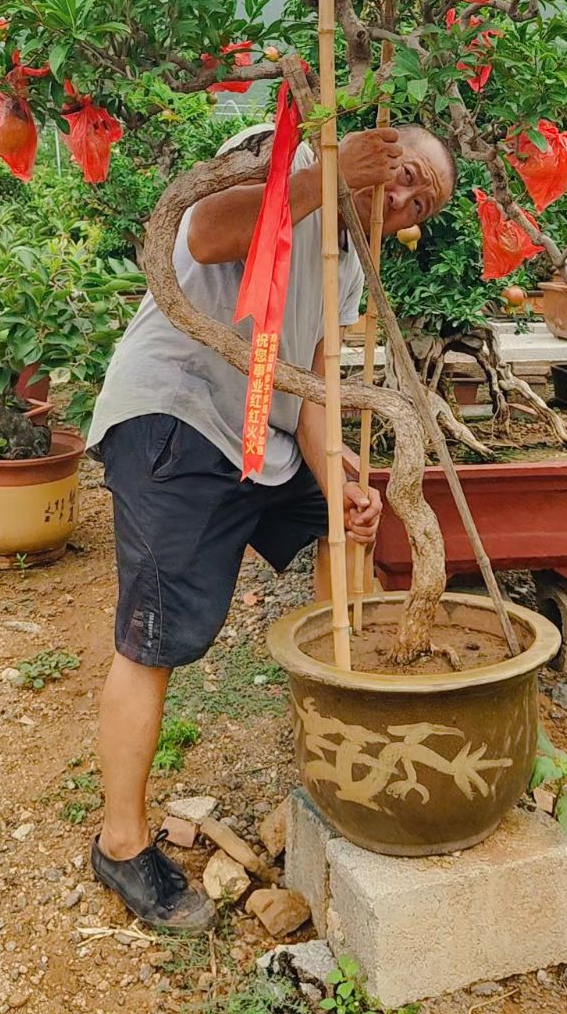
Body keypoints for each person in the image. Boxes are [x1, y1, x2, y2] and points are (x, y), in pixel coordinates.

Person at [86, 120, 456, 929]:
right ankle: (119, 843)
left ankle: (350, 761)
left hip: (268, 438)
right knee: (156, 636)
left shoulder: (351, 262)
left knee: (350, 533)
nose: (400, 198)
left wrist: (337, 487)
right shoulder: (280, 151)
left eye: (417, 199)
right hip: (178, 418)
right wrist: (324, 174)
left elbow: (314, 386)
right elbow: (208, 233)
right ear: (368, 147)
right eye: (400, 172)